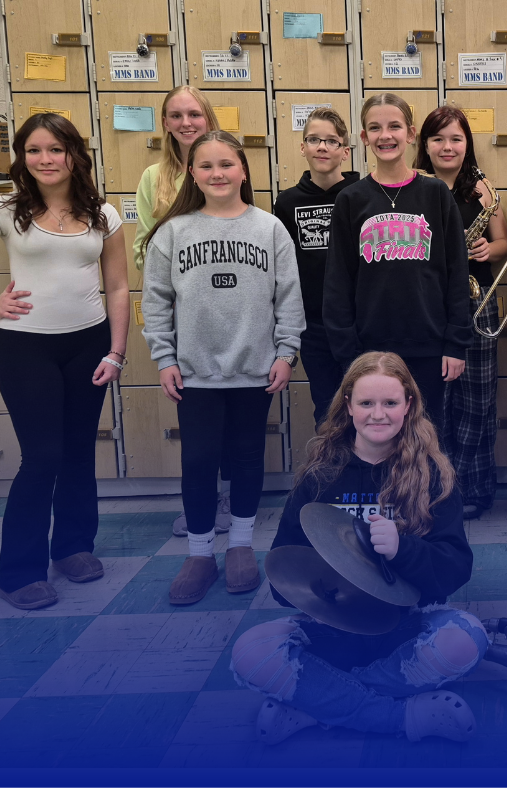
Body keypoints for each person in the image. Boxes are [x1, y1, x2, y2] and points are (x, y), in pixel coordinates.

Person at [230, 351, 488, 745]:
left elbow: (455, 569)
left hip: (406, 626)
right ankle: (402, 716)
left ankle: (317, 701)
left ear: (409, 406)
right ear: (348, 406)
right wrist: (319, 580)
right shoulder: (319, 476)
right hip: (329, 629)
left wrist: (402, 549)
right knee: (250, 651)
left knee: (467, 637)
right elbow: (282, 580)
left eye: (390, 403)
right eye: (366, 403)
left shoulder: (434, 475)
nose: (378, 414)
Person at [142, 131, 305, 605]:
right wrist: (164, 358)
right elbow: (156, 301)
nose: (217, 174)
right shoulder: (173, 232)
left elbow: (289, 298)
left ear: (244, 170)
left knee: (248, 458)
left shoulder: (269, 228)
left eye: (227, 165)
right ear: (192, 173)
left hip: (254, 369)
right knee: (197, 462)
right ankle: (198, 554)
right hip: (194, 372)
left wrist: (285, 352)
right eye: (207, 166)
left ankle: (239, 547)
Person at [0, 113, 129, 610]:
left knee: (78, 451)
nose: (45, 159)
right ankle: (18, 571)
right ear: (22, 158)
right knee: (43, 457)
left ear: (74, 155)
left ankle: (73, 547)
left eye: (55, 149)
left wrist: (116, 353)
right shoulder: (9, 208)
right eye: (34, 150)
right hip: (23, 345)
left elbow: (118, 286)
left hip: (88, 344)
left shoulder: (103, 215)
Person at [323, 93, 471, 430]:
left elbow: (456, 275)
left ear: (410, 133)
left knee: (427, 438)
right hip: (369, 351)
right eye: (374, 128)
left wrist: (455, 344)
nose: (385, 135)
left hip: (429, 346)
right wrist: (348, 353)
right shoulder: (351, 199)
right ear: (363, 138)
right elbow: (338, 282)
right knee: (375, 436)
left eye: (394, 126)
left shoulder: (436, 194)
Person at [133, 85, 230, 538]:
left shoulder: (226, 163)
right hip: (183, 310)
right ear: (166, 123)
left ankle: (232, 497)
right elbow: (142, 246)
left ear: (207, 118)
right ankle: (202, 503)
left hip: (229, 308)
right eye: (176, 115)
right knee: (196, 417)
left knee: (232, 412)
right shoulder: (155, 177)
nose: (186, 122)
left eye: (194, 113)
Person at [415, 106, 507, 519]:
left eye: (455, 138)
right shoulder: (413, 186)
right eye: (437, 138)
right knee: (433, 402)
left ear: (467, 143)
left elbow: (504, 241)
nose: (447, 146)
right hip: (427, 304)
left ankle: (474, 487)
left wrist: (491, 248)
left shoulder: (482, 188)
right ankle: (434, 488)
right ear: (424, 145)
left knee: (477, 401)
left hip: (477, 301)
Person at [274, 107, 359, 427]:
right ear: (302, 147)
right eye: (314, 139)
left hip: (358, 322)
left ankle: (367, 476)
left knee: (365, 406)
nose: (322, 147)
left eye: (332, 141)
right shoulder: (286, 202)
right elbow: (283, 269)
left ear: (345, 152)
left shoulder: (361, 194)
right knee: (326, 409)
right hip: (313, 326)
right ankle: (332, 476)